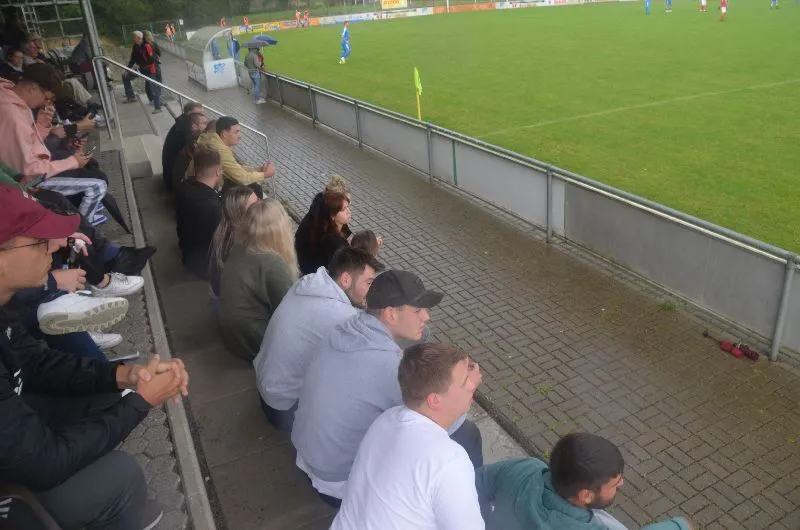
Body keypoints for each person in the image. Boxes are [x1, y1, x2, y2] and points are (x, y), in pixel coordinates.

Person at [0, 184, 190, 530]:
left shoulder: (5, 308)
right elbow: (44, 463)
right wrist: (140, 403)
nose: (56, 246)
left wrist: (122, 375)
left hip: (18, 430)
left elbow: (35, 363)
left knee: (107, 397)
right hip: (11, 491)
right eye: (40, 241)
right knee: (122, 475)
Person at [292, 270, 483, 507]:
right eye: (417, 310)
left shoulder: (346, 328)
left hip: (308, 456)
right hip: (340, 482)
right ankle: (473, 502)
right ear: (391, 313)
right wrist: (467, 386)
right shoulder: (389, 368)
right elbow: (445, 421)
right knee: (466, 434)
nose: (427, 316)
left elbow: (413, 344)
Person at [332, 343, 485, 530]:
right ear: (434, 400)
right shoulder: (450, 460)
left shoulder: (387, 419)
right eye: (466, 381)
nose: (474, 384)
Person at [254, 247, 384, 432]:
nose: (373, 291)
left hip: (265, 388)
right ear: (346, 279)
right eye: (369, 283)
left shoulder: (308, 283)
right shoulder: (342, 316)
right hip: (282, 409)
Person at [475, 433, 694, 530]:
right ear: (585, 495)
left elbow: (476, 483)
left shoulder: (523, 469)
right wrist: (681, 526)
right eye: (615, 483)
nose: (621, 484)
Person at [0, 63, 108, 225]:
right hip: (27, 181)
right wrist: (72, 162)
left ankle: (81, 215)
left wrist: (41, 126)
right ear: (32, 88)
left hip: (34, 168)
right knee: (97, 185)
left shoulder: (12, 98)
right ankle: (82, 228)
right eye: (46, 98)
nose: (45, 104)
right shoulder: (12, 116)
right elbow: (29, 170)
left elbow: (26, 143)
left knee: (89, 166)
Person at [219, 199, 298, 361]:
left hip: (232, 339)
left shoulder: (239, 248)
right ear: (279, 231)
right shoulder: (274, 264)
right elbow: (290, 314)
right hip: (254, 344)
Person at [188, 116, 275, 197]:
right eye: (236, 132)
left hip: (196, 184)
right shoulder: (221, 150)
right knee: (255, 188)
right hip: (206, 190)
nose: (239, 136)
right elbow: (242, 178)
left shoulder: (213, 139)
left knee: (254, 186)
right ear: (224, 134)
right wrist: (265, 174)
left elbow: (234, 168)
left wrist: (258, 169)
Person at [175, 146, 223, 279]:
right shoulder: (213, 208)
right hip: (207, 268)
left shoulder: (184, 188)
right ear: (218, 171)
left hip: (188, 256)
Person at [208, 186, 258, 309]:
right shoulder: (241, 244)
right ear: (239, 213)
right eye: (254, 207)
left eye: (259, 202)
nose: (260, 208)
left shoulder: (223, 230)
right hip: (229, 306)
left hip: (219, 298)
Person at [297, 190, 351, 275]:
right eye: (343, 209)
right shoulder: (335, 242)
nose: (349, 211)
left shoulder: (320, 224)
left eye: (348, 207)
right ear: (332, 216)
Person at [161, 101, 205, 190]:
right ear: (189, 113)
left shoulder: (182, 123)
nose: (202, 115)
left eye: (202, 113)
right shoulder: (185, 132)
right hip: (174, 180)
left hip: (171, 175)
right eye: (198, 113)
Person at [124, 31, 161, 113]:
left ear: (138, 38)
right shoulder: (136, 46)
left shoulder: (147, 45)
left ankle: (158, 107)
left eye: (134, 37)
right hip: (142, 69)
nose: (133, 39)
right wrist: (128, 69)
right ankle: (130, 96)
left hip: (151, 69)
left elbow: (152, 60)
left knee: (154, 88)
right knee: (125, 76)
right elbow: (133, 59)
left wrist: (141, 65)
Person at [173, 113, 208, 183]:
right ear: (194, 126)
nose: (207, 126)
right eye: (204, 123)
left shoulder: (185, 136)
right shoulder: (194, 142)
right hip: (183, 182)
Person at [142, 31, 162, 106]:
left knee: (148, 83)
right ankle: (157, 100)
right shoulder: (153, 43)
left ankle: (151, 99)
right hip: (154, 66)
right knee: (158, 82)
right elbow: (159, 53)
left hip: (146, 67)